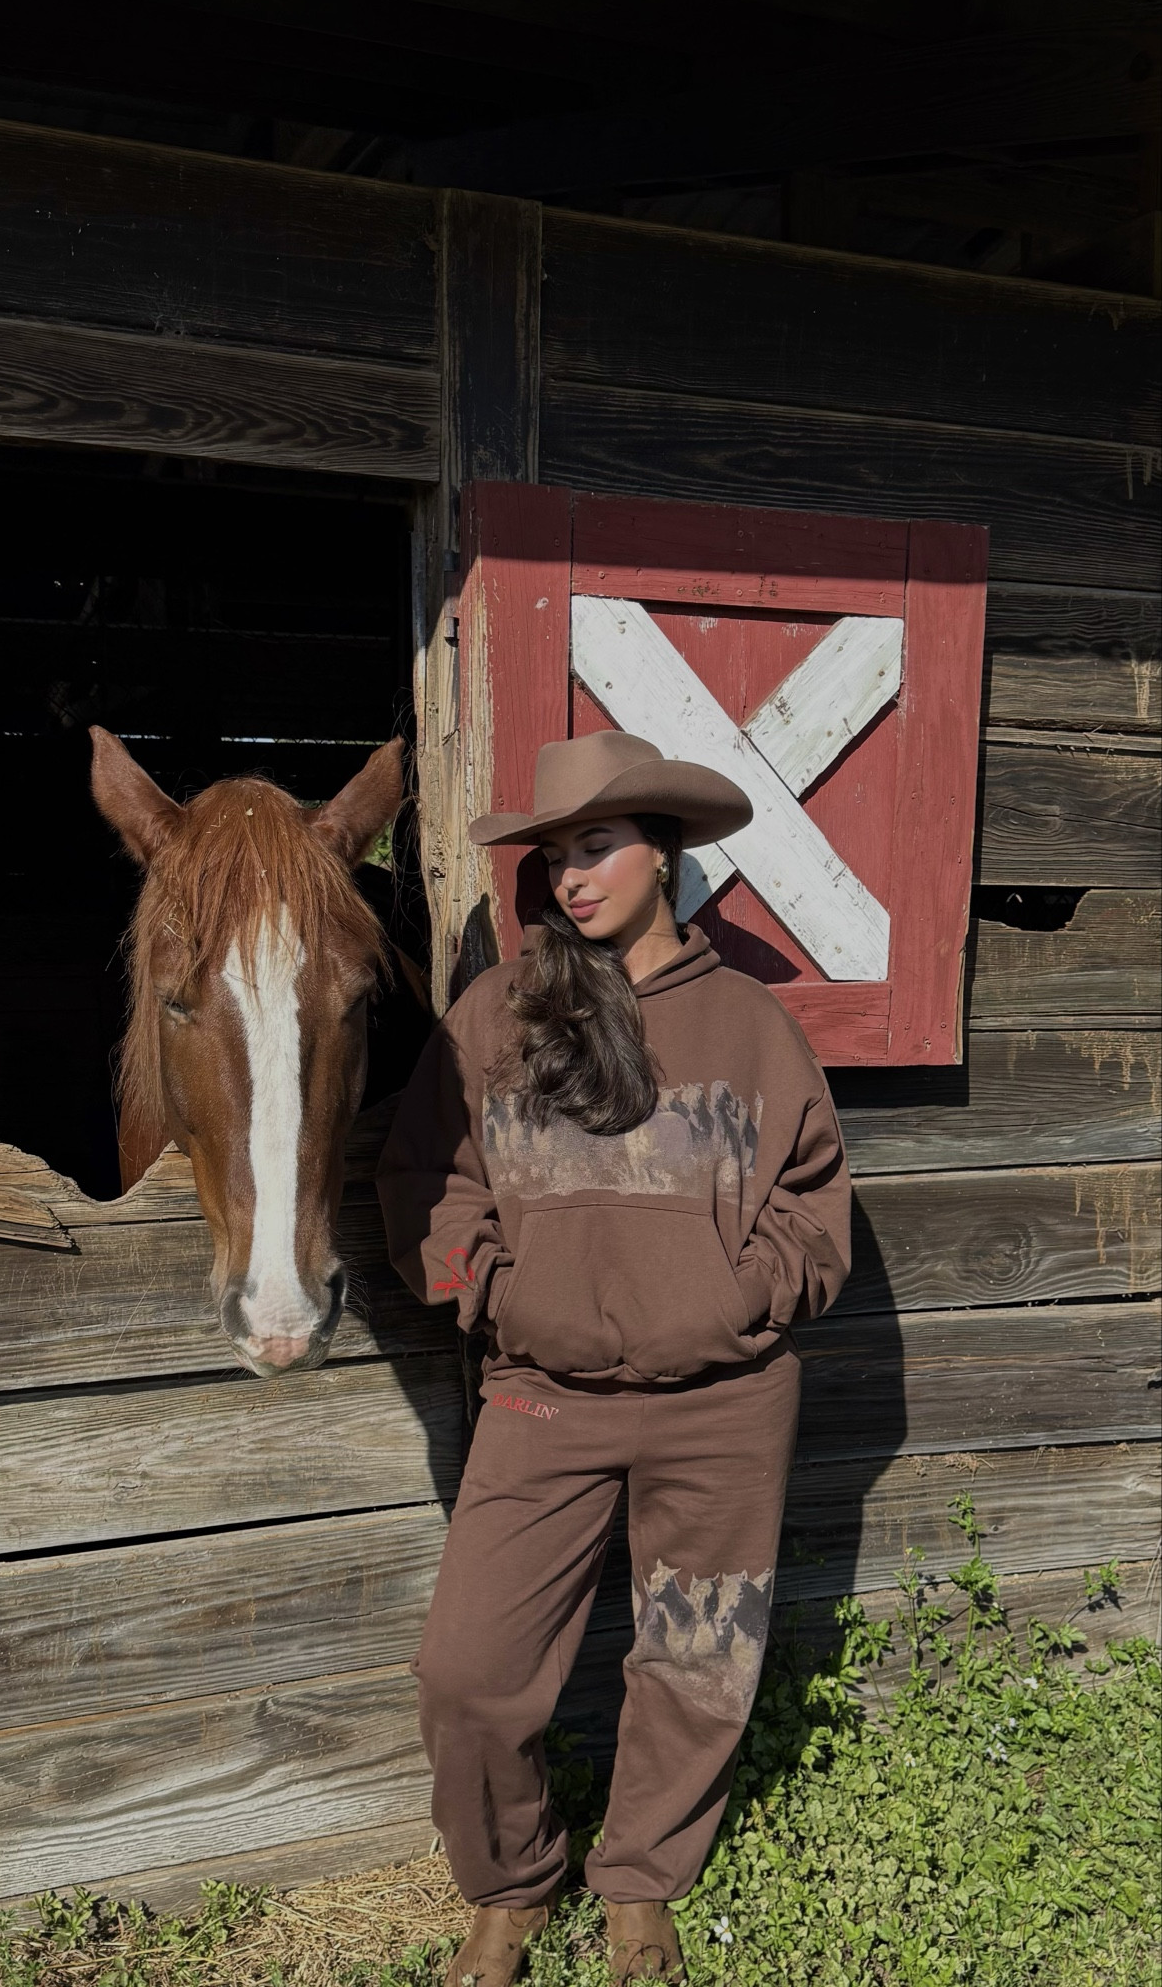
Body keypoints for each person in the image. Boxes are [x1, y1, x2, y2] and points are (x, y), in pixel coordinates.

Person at [377, 730, 852, 1985]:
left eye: (596, 846)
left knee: (696, 1656)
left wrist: (729, 1301)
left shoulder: (750, 1026)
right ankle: (510, 1883)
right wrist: (491, 1290)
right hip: (542, 1398)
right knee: (468, 1670)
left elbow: (813, 1210)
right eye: (555, 855)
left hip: (724, 1403)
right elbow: (423, 1180)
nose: (571, 876)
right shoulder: (498, 1014)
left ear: (664, 853)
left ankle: (640, 1880)